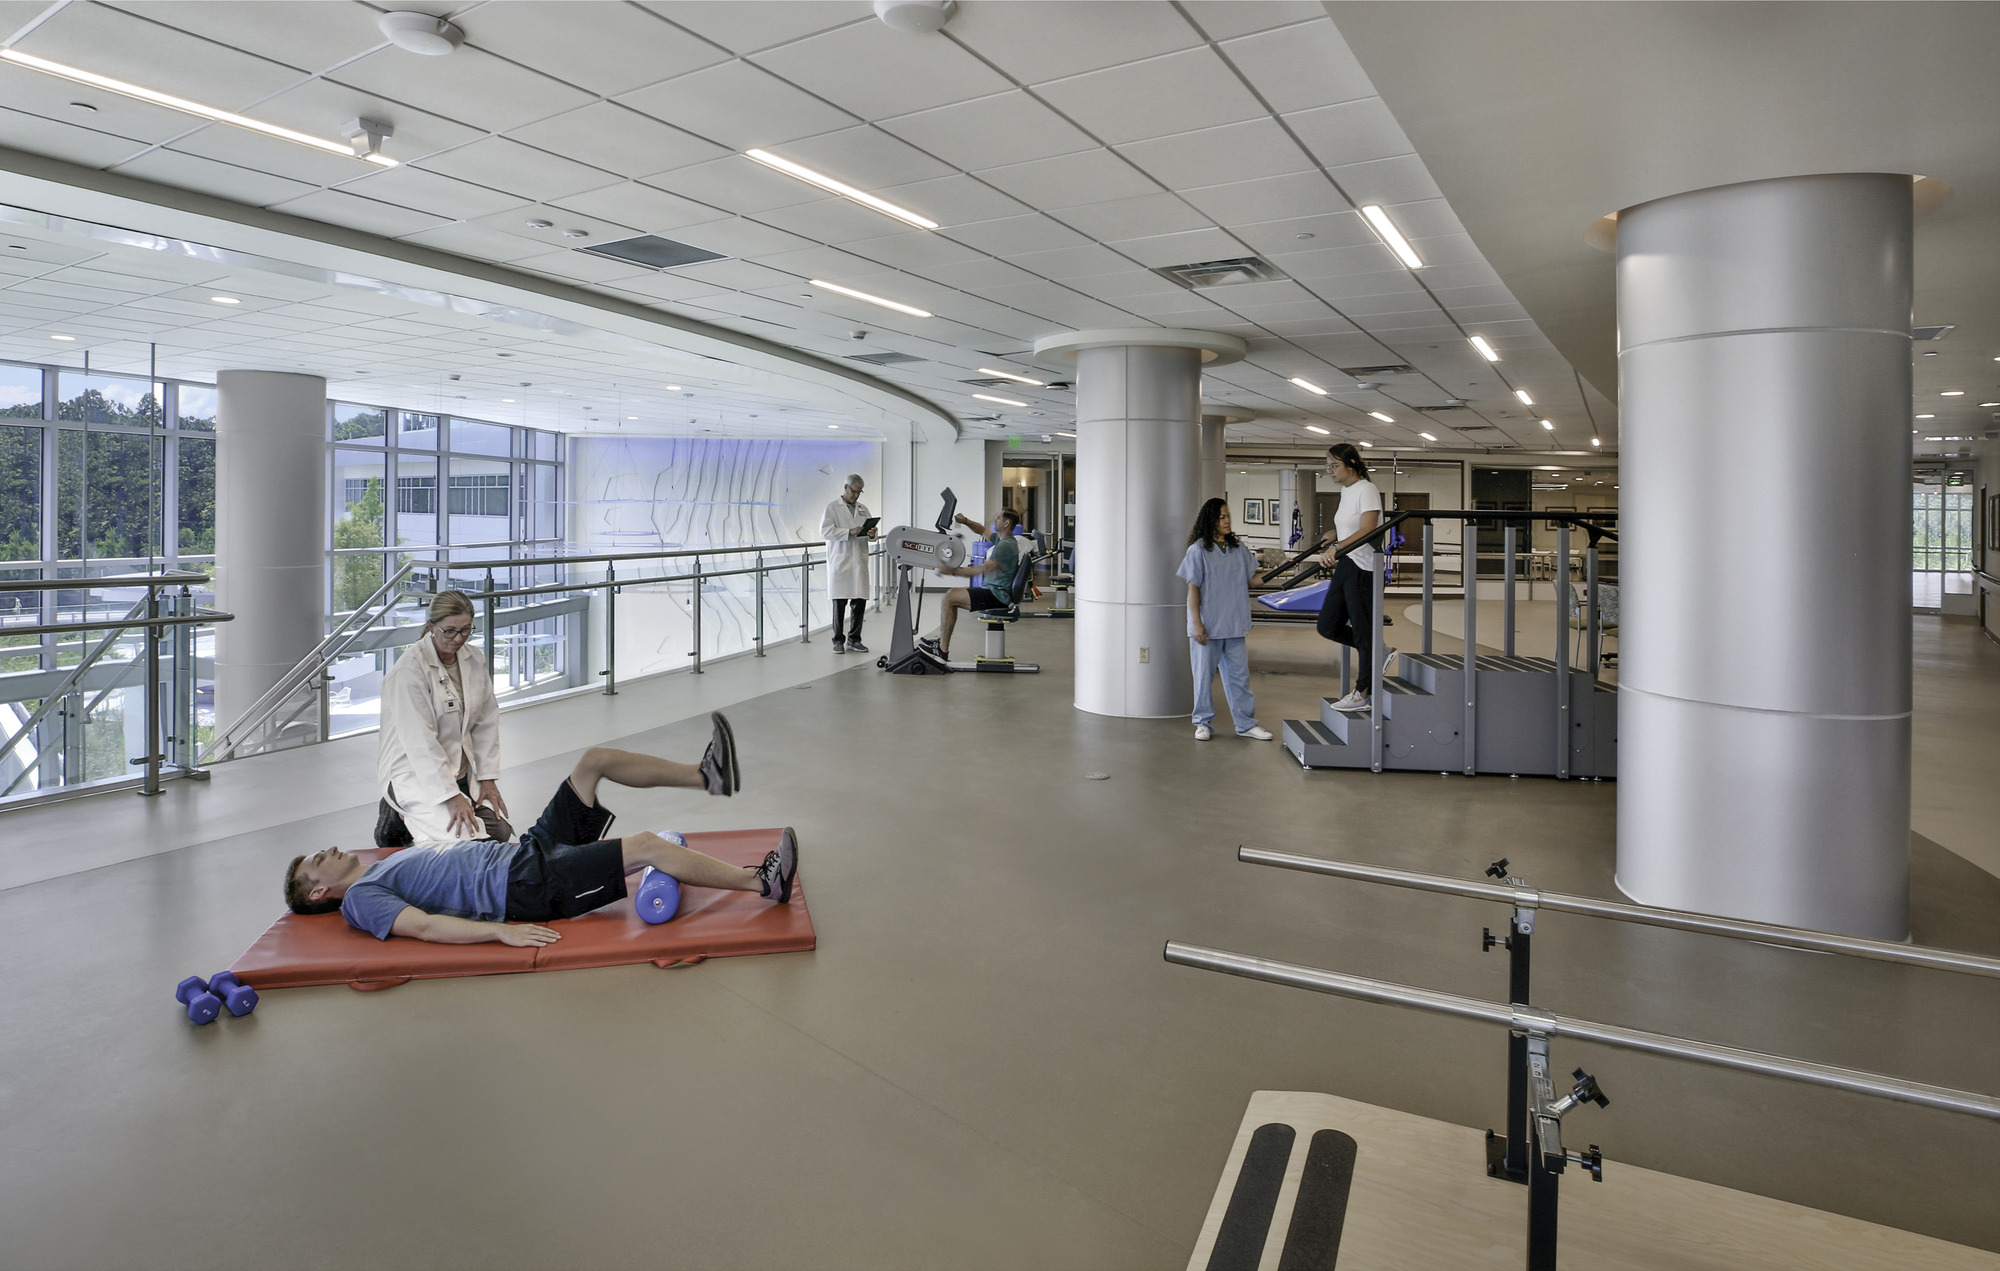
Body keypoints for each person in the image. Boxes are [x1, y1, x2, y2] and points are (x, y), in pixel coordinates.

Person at [283, 713, 793, 944]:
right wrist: (498, 935)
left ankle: (708, 776)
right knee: (644, 847)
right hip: (526, 887)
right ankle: (762, 883)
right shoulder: (360, 899)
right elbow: (423, 926)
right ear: (321, 890)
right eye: (318, 860)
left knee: (592, 761)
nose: (328, 848)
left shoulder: (385, 862)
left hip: (526, 853)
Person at [375, 590, 504, 848]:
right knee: (463, 842)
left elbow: (486, 721)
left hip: (459, 769)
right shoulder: (409, 670)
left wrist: (487, 778)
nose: (458, 638)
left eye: (466, 629)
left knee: (499, 831)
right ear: (431, 626)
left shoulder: (474, 659)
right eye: (450, 631)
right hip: (416, 770)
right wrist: (450, 796)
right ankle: (394, 819)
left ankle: (408, 818)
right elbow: (420, 742)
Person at [1179, 498, 1274, 742]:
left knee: (1240, 679)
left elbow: (1252, 580)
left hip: (1233, 624)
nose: (1227, 520)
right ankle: (1202, 723)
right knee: (1203, 678)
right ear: (1210, 520)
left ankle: (1246, 724)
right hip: (1207, 626)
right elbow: (1193, 589)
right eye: (1221, 517)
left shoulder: (1237, 548)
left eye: (1228, 515)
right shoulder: (1198, 550)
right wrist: (1197, 623)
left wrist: (1282, 570)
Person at [1314, 443, 1396, 712]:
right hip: (1348, 563)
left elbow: (1369, 528)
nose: (1330, 470)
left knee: (1362, 630)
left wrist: (1337, 547)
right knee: (1327, 625)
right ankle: (1377, 650)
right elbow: (1352, 525)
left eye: (1333, 465)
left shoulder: (1366, 489)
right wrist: (1335, 534)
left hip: (1364, 568)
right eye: (1328, 466)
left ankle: (1362, 694)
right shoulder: (1346, 491)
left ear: (1350, 463)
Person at [922, 508, 1023, 660]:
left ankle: (942, 649)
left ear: (1006, 523)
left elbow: (980, 570)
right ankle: (941, 644)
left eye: (998, 518)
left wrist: (952, 571)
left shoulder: (1005, 546)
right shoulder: (1004, 540)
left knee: (949, 598)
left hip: (996, 596)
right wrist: (966, 521)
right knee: (951, 596)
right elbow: (983, 531)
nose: (995, 520)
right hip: (993, 591)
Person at [820, 472, 877, 655]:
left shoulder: (862, 509)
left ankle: (854, 639)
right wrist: (848, 531)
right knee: (840, 602)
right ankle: (838, 640)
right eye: (854, 491)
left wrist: (872, 534)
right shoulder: (832, 508)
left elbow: (871, 535)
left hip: (858, 561)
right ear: (845, 488)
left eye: (860, 492)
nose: (856, 495)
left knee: (859, 602)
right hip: (841, 561)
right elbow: (826, 532)